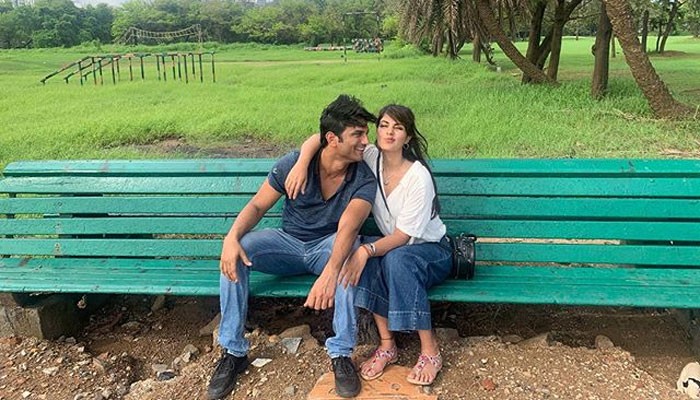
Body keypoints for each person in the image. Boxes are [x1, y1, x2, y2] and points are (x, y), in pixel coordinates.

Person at [208, 94, 377, 400]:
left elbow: (348, 228)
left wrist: (331, 271)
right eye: (358, 134)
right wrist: (230, 238)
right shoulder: (294, 164)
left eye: (366, 133)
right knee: (238, 251)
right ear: (332, 139)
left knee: (350, 256)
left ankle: (341, 353)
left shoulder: (363, 177)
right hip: (287, 244)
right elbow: (258, 206)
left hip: (328, 247)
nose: (366, 141)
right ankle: (233, 352)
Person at [285, 104, 451, 386]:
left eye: (398, 128)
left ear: (408, 137)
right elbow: (319, 138)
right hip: (396, 250)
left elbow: (402, 238)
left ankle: (430, 350)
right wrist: (302, 163)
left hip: (431, 251)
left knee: (389, 257)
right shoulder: (371, 157)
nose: (389, 133)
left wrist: (366, 250)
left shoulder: (418, 177)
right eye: (384, 125)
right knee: (362, 255)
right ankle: (387, 345)